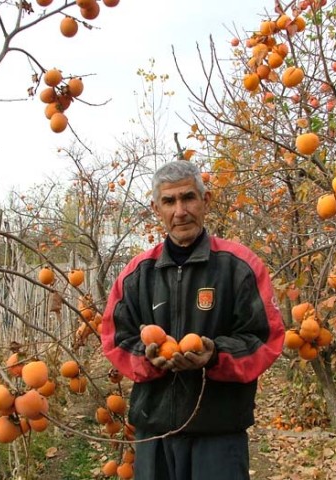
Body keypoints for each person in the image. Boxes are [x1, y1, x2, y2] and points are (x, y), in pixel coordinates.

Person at [101, 160, 285, 480]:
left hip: (219, 433)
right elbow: (116, 338)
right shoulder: (137, 274)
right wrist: (148, 358)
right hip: (154, 433)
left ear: (205, 200)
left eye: (188, 198)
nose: (180, 211)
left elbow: (264, 339)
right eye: (169, 201)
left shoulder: (239, 267)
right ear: (156, 208)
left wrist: (215, 355)